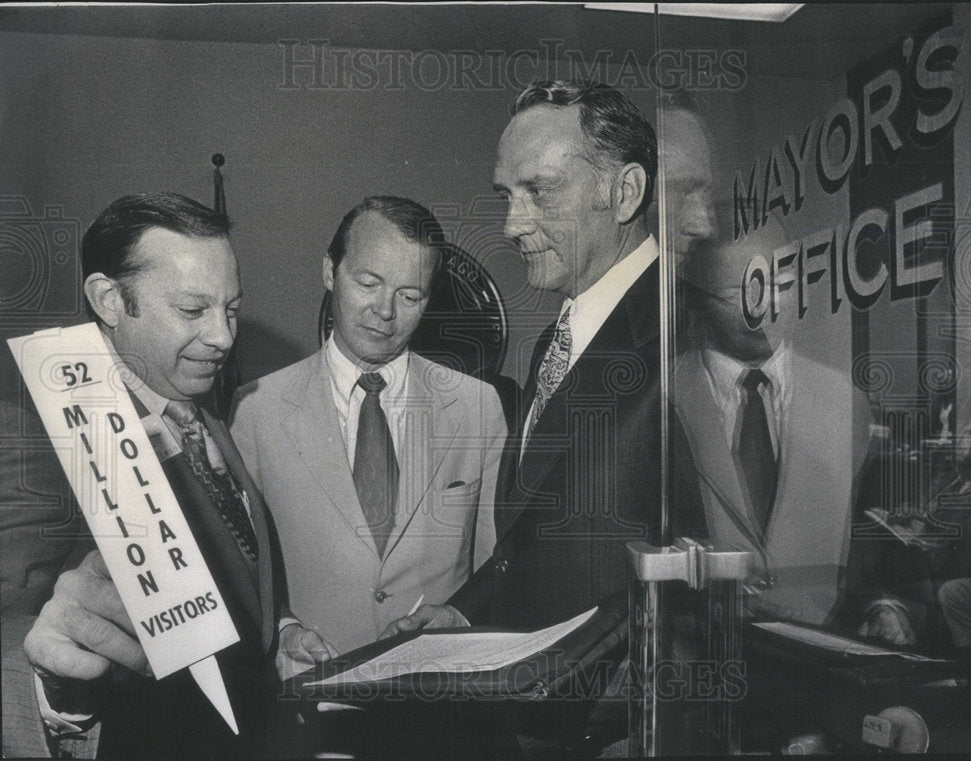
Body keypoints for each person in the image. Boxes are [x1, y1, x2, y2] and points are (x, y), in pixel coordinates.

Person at [383, 81, 713, 755]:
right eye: (508, 194)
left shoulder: (683, 336)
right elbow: (534, 539)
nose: (510, 224)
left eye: (541, 191)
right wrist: (467, 610)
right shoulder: (556, 340)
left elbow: (717, 588)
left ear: (625, 193)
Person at [4, 193, 332, 759]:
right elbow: (15, 624)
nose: (224, 337)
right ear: (109, 299)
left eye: (231, 308)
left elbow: (228, 569)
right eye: (192, 310)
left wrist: (278, 632)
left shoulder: (197, 408)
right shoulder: (38, 433)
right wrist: (49, 688)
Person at [229, 196, 506, 656]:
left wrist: (462, 616)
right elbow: (239, 570)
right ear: (328, 272)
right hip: (310, 697)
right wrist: (283, 631)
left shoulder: (477, 407)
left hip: (437, 696)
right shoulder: (255, 410)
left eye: (410, 295)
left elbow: (495, 568)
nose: (385, 310)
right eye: (368, 282)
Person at [674, 210, 921, 644]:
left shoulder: (846, 400)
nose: (763, 306)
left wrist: (882, 604)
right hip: (701, 660)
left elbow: (871, 532)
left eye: (780, 285)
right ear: (695, 300)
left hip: (822, 662)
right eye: (740, 291)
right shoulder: (663, 399)